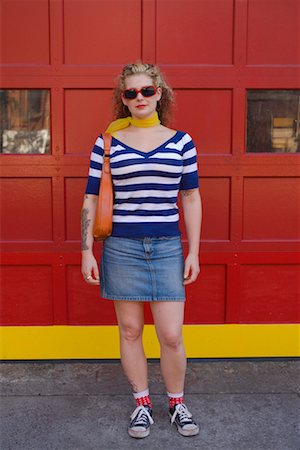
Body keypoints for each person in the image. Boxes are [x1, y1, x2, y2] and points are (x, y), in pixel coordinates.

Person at [81, 62, 202, 439]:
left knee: (171, 334)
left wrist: (193, 251)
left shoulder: (182, 141)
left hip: (166, 246)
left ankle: (177, 402)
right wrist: (86, 250)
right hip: (121, 247)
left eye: (146, 91)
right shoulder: (107, 142)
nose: (139, 98)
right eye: (131, 93)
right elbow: (90, 200)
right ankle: (142, 404)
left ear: (159, 93)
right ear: (123, 99)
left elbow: (191, 197)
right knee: (130, 330)